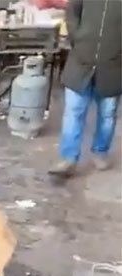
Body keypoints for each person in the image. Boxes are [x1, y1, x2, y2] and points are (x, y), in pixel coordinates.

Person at [49, 0, 121, 177]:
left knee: (107, 113)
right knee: (74, 111)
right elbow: (72, 13)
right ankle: (68, 158)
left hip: (113, 64)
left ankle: (100, 151)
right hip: (81, 60)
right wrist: (79, 37)